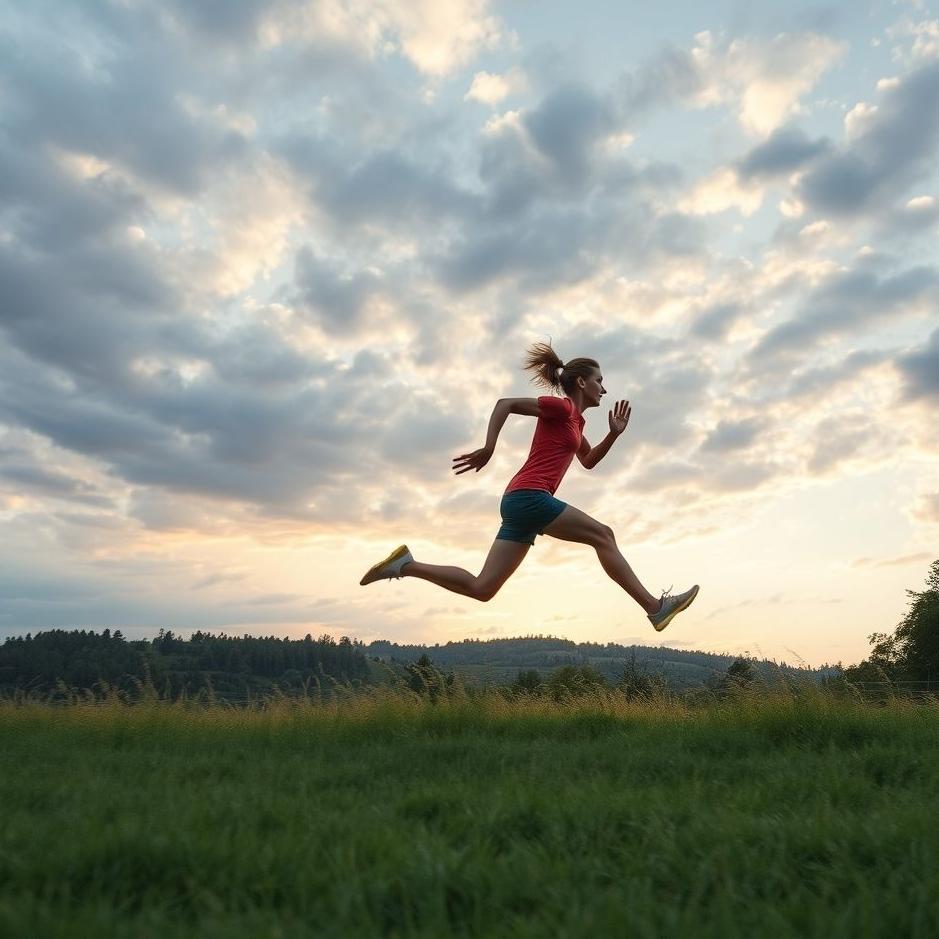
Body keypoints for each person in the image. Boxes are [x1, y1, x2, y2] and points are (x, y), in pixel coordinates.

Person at [359, 341, 698, 632]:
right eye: (599, 381)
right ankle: (655, 608)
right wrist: (489, 447)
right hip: (529, 496)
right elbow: (504, 404)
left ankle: (404, 565)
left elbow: (589, 460)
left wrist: (613, 433)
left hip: (520, 503)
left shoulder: (576, 423)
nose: (604, 389)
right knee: (604, 535)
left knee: (483, 588)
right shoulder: (562, 407)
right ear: (582, 382)